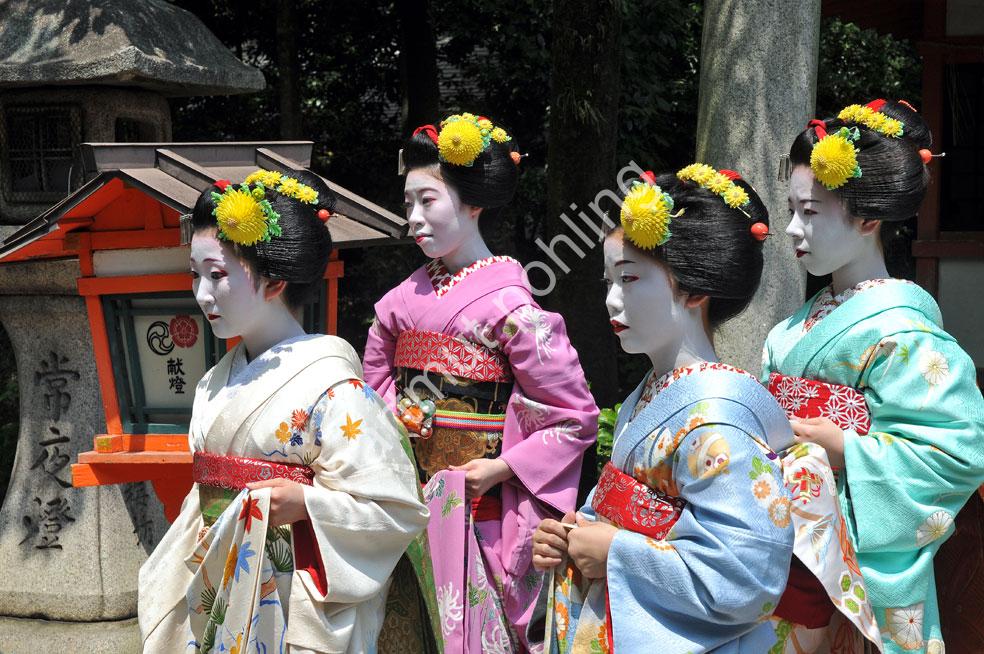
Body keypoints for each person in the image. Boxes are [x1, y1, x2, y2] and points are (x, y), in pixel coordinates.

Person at [138, 170, 429, 653]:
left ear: (273, 279)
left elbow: (394, 508)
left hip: (295, 599)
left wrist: (305, 504)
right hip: (220, 588)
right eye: (195, 274)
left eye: (218, 274)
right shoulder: (215, 381)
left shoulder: (335, 386)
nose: (202, 294)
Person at [531, 166, 795, 652]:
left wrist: (616, 551)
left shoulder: (718, 417)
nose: (611, 300)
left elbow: (746, 575)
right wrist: (573, 531)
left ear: (693, 289)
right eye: (608, 280)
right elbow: (619, 506)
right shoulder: (654, 390)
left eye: (629, 279)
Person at [363, 113, 598, 652]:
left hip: (481, 509)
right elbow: (372, 391)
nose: (414, 218)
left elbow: (573, 413)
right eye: (408, 204)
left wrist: (499, 468)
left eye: (428, 200)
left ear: (473, 203)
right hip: (407, 498)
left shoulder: (511, 304)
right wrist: (392, 439)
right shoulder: (398, 305)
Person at [763, 99, 984, 653]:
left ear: (869, 218)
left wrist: (846, 449)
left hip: (851, 567)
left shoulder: (905, 333)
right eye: (790, 209)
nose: (792, 229)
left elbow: (957, 453)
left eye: (810, 212)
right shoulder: (790, 329)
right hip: (776, 545)